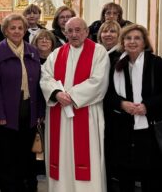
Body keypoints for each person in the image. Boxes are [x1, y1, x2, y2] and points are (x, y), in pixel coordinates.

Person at [39, 17, 110, 192]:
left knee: (88, 158)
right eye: (69, 31)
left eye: (78, 30)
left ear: (86, 32)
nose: (74, 34)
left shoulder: (98, 52)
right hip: (59, 115)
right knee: (60, 157)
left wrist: (70, 96)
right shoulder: (57, 54)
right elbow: (45, 77)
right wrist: (56, 94)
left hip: (86, 113)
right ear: (64, 32)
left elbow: (98, 81)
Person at [104, 24, 162, 192]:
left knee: (150, 176)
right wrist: (121, 104)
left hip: (149, 128)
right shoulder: (115, 64)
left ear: (144, 42)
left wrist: (147, 106)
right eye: (128, 38)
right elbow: (106, 94)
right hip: (122, 128)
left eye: (137, 38)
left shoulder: (158, 64)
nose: (132, 42)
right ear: (122, 42)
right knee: (124, 175)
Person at [0, 14, 44, 192]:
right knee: (5, 158)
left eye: (20, 28)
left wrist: (40, 112)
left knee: (24, 156)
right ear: (5, 31)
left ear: (25, 30)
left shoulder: (32, 51)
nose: (17, 31)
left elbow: (39, 85)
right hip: (5, 114)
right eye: (13, 28)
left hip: (29, 110)